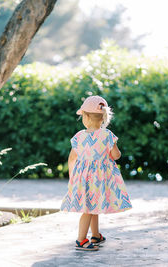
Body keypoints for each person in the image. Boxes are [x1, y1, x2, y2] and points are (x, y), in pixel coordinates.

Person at [60, 95, 132, 251]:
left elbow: (72, 158)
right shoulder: (107, 135)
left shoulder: (79, 137)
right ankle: (81, 240)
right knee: (90, 208)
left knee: (91, 207)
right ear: (104, 117)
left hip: (83, 179)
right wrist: (112, 148)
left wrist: (73, 176)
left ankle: (95, 235)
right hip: (100, 179)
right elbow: (116, 155)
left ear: (86, 117)